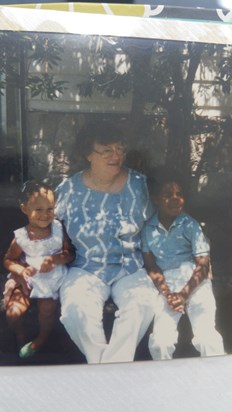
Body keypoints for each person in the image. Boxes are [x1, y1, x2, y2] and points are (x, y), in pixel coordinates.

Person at [55, 121, 158, 364]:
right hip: (86, 267)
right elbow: (50, 228)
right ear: (88, 154)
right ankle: (108, 370)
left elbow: (156, 228)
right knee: (76, 311)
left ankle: (107, 372)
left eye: (120, 149)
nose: (117, 156)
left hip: (130, 266)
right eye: (107, 150)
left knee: (142, 304)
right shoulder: (68, 190)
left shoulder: (138, 185)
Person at [142, 168, 225, 360]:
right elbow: (151, 266)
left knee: (206, 338)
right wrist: (169, 294)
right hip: (167, 286)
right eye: (167, 194)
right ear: (155, 198)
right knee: (161, 341)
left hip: (195, 282)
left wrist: (183, 295)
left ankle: (217, 384)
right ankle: (165, 384)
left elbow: (203, 266)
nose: (174, 198)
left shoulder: (190, 225)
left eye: (179, 194)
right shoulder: (148, 229)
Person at [3, 180, 75, 358]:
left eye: (50, 209)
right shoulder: (21, 237)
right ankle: (21, 337)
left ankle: (40, 340)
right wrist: (20, 271)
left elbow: (70, 253)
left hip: (52, 278)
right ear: (24, 209)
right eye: (38, 210)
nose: (45, 215)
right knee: (12, 312)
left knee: (47, 308)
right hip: (29, 278)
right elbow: (8, 260)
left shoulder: (58, 229)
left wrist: (56, 259)